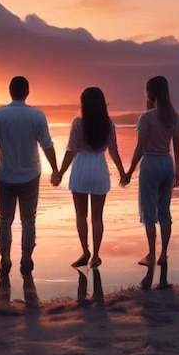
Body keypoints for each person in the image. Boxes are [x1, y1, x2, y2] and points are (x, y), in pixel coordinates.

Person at [0, 76, 60, 280]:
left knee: (4, 220)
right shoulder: (37, 116)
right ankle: (26, 259)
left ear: (10, 92)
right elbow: (47, 144)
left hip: (5, 175)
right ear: (27, 92)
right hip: (30, 176)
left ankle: (5, 259)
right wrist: (55, 169)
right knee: (29, 220)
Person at [57, 87, 126, 269]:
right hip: (99, 169)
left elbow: (71, 150)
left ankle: (85, 251)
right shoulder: (108, 125)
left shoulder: (78, 123)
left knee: (81, 214)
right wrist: (123, 173)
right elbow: (113, 151)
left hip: (81, 168)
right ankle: (95, 255)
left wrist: (60, 173)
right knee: (97, 217)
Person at [123, 75, 179, 289]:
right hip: (167, 163)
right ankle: (164, 255)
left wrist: (129, 172)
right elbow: (177, 146)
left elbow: (139, 148)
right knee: (164, 211)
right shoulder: (174, 116)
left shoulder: (146, 117)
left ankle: (151, 253)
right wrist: (178, 169)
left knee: (149, 213)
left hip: (150, 164)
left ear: (150, 92)